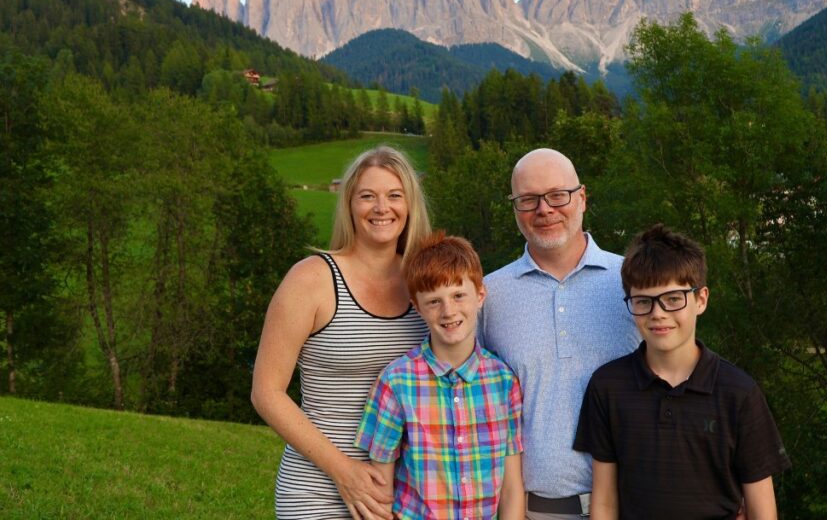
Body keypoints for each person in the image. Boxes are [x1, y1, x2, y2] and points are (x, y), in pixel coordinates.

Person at [252, 145, 432, 520]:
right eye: (368, 196)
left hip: (402, 495)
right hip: (318, 487)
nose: (382, 208)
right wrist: (343, 471)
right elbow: (266, 393)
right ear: (349, 205)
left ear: (410, 204)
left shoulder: (426, 284)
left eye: (394, 196)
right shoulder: (312, 279)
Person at [574, 224, 791, 520]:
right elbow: (605, 502)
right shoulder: (607, 387)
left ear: (700, 299)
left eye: (673, 298)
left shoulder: (738, 392)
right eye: (643, 301)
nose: (658, 313)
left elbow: (761, 508)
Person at [479, 148, 639, 520]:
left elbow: (680, 378)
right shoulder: (489, 296)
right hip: (533, 511)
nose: (544, 209)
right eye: (528, 200)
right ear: (514, 208)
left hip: (633, 505)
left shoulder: (631, 281)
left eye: (557, 195)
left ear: (581, 197)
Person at [356, 231, 525, 520]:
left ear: (480, 295)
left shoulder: (503, 382)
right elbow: (380, 488)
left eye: (459, 295)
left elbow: (511, 489)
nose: (449, 311)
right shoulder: (397, 382)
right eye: (434, 301)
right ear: (417, 306)